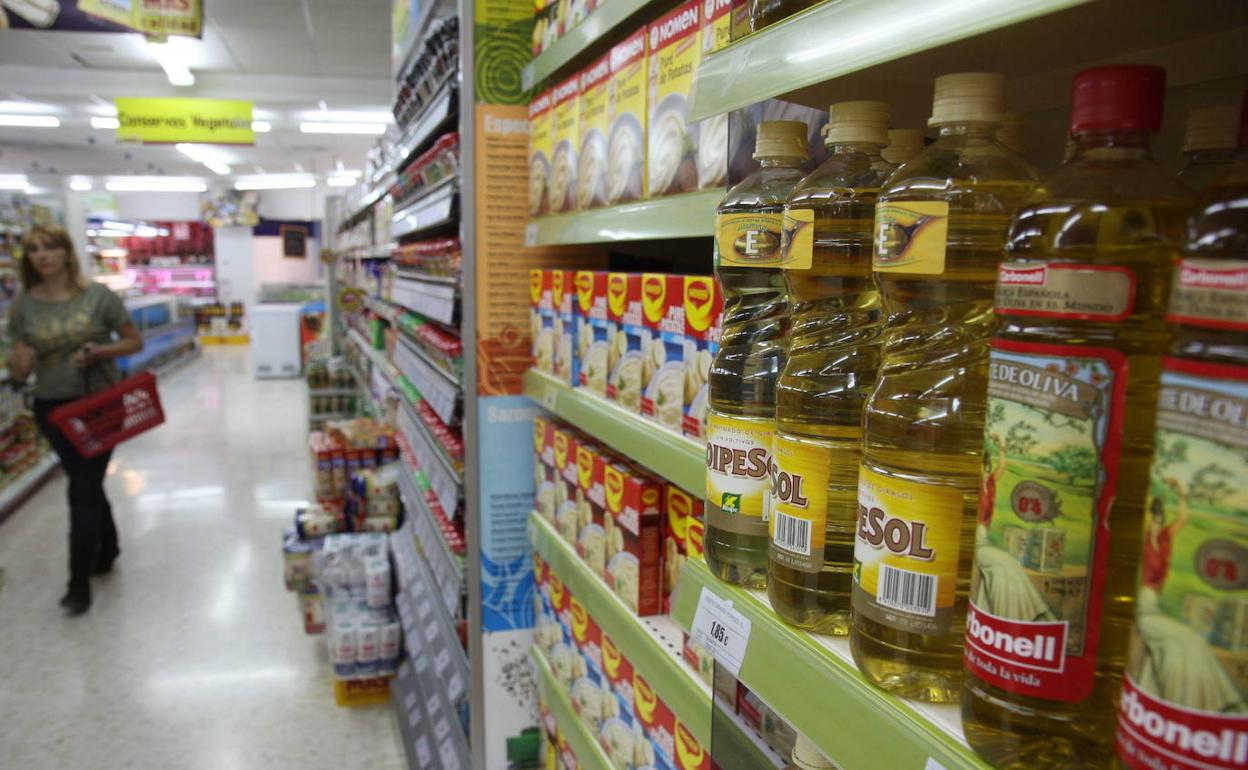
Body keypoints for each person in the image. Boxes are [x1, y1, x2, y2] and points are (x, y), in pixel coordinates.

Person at [6, 225, 143, 615]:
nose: (42, 256)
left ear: (67, 253)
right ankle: (109, 547)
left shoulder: (98, 297)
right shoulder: (23, 307)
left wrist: (100, 351)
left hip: (99, 404)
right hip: (52, 408)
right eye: (34, 250)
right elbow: (18, 368)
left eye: (50, 248)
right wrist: (18, 369)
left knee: (81, 487)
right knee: (86, 482)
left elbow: (134, 342)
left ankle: (77, 583)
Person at [1131, 478, 1244, 712]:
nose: (1157, 523)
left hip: (1153, 606)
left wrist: (1182, 492)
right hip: (1141, 606)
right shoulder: (1142, 539)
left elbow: (1183, 519)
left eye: (1160, 519)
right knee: (1181, 642)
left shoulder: (1163, 539)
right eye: (1155, 518)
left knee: (1193, 642)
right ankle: (1189, 707)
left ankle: (1217, 705)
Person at [971, 434, 1056, 622]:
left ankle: (1026, 615)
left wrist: (1001, 445)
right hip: (977, 543)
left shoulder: (991, 485)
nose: (985, 471)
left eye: (987, 468)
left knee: (1009, 565)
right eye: (983, 468)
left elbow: (1003, 466)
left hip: (984, 540)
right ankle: (1012, 616)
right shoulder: (976, 486)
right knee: (1004, 563)